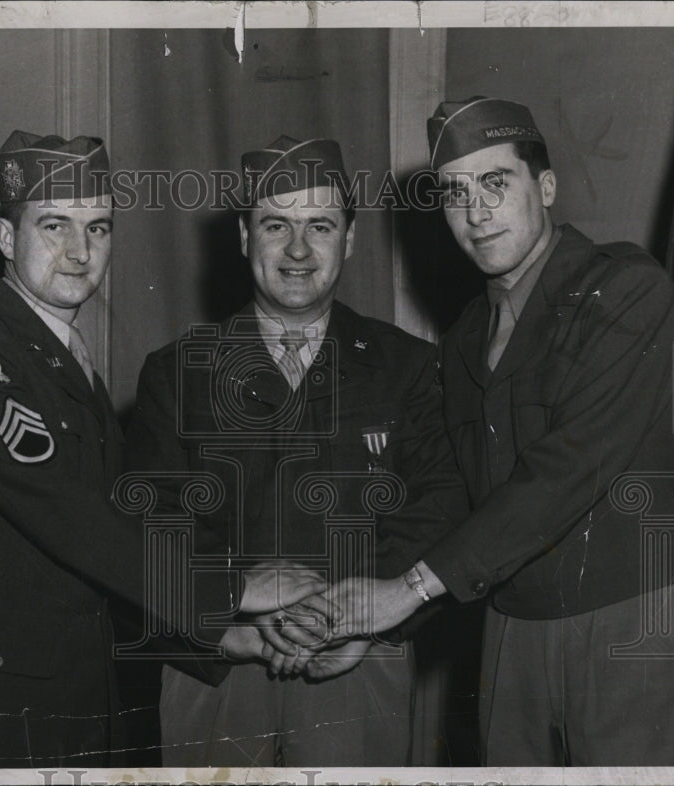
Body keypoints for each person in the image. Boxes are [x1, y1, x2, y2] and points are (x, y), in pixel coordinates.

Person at [0, 131, 324, 768]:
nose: (80, 252)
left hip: (71, 699)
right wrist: (231, 587)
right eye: (55, 225)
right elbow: (71, 516)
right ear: (6, 239)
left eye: (99, 228)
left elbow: (98, 563)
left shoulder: (60, 358)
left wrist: (223, 636)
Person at [322, 97, 674, 766]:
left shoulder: (623, 289)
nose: (476, 212)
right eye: (455, 193)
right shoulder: (463, 340)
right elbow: (453, 496)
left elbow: (567, 468)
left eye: (495, 183)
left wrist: (408, 589)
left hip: (628, 621)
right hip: (508, 629)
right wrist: (377, 620)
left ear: (547, 187)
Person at [123, 135, 469, 766]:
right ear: (243, 237)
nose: (299, 250)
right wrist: (231, 608)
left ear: (351, 239)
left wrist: (365, 614)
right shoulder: (175, 373)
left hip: (361, 659)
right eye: (276, 224)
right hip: (216, 662)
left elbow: (439, 501)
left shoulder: (408, 368)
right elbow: (152, 519)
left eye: (321, 225)